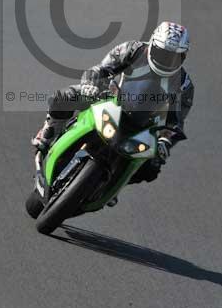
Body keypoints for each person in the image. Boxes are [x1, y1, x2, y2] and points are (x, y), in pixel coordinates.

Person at [32, 21, 194, 185]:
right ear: (152, 43)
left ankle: (114, 184)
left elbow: (176, 123)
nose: (167, 60)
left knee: (151, 169)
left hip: (143, 127)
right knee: (64, 97)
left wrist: (164, 142)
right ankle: (46, 135)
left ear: (184, 56)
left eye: (174, 57)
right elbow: (100, 69)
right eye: (162, 53)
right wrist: (91, 84)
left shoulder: (183, 85)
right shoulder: (134, 49)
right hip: (110, 99)